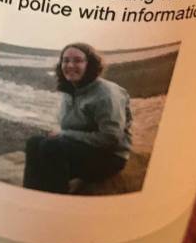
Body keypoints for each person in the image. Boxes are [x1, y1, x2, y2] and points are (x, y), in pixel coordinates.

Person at [22, 43, 132, 194]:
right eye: (66, 60)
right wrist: (64, 135)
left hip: (110, 157)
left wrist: (65, 135)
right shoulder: (71, 89)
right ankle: (30, 194)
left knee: (51, 146)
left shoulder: (106, 94)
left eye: (78, 60)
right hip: (83, 150)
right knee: (33, 142)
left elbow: (110, 138)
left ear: (90, 64)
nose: (70, 65)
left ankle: (57, 197)